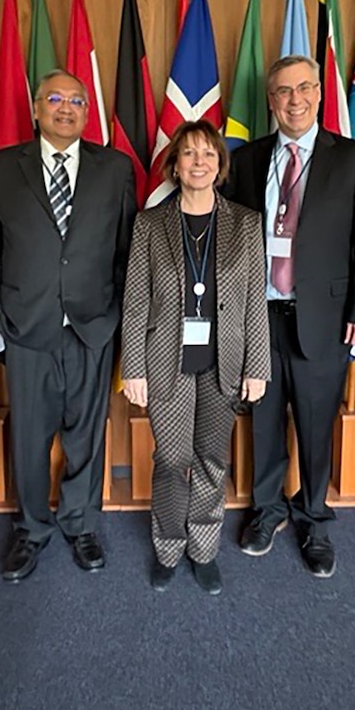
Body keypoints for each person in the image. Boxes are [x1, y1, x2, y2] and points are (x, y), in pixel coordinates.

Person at [223, 54, 355, 578]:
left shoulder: (354, 159)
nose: (294, 100)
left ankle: (313, 518)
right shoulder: (246, 161)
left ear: (319, 93)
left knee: (316, 424)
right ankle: (267, 509)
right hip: (259, 314)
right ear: (270, 101)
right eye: (283, 92)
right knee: (264, 419)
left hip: (327, 315)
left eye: (304, 89)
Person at [0, 70, 136, 582]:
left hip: (92, 327)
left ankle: (81, 523)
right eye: (55, 99)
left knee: (86, 435)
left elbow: (125, 251)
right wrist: (0, 315)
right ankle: (31, 529)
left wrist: (113, 314)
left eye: (76, 101)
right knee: (29, 438)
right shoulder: (0, 168)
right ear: (36, 107)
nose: (65, 108)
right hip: (27, 327)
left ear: (87, 113)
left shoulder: (115, 169)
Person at [120, 121, 269, 595]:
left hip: (223, 362)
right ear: (175, 165)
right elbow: (136, 300)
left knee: (210, 458)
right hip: (165, 362)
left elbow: (253, 302)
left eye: (208, 154)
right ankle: (167, 545)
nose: (199, 162)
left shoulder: (245, 224)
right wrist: (134, 368)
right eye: (189, 154)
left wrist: (257, 367)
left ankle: (203, 549)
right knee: (171, 458)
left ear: (220, 164)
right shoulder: (150, 223)